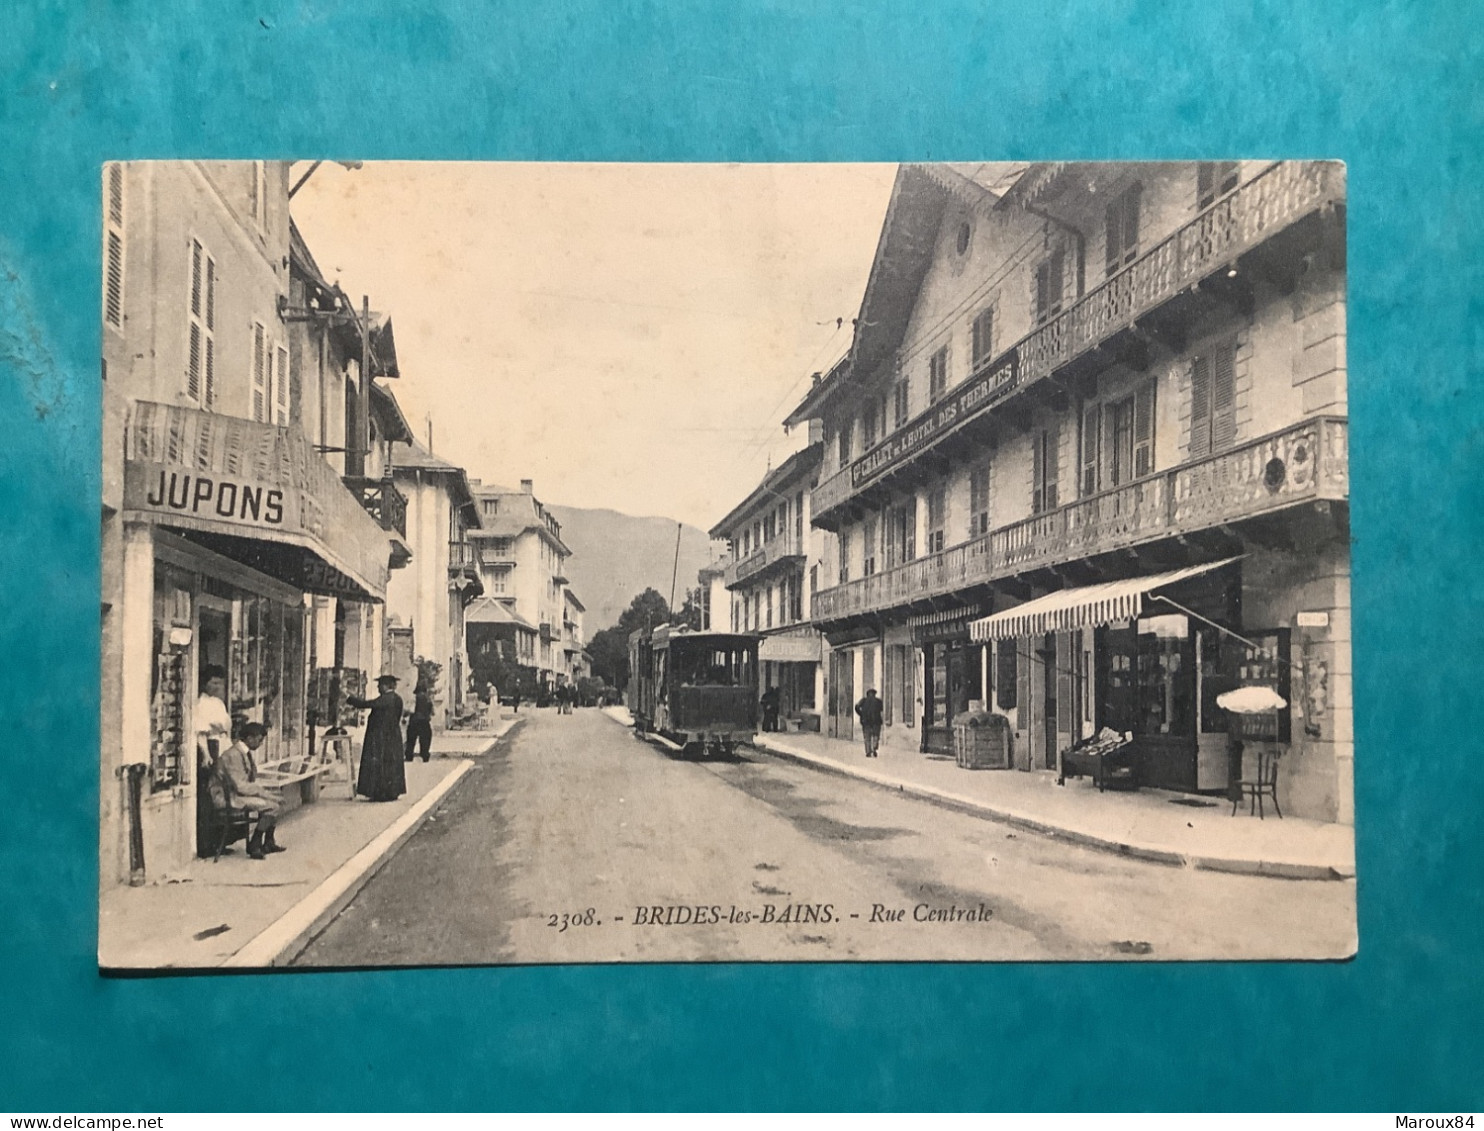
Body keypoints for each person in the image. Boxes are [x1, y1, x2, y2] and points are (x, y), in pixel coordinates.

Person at [214, 721, 285, 859]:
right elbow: (241, 786)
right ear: (249, 738)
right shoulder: (233, 755)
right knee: (272, 806)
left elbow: (249, 780)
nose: (261, 744)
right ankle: (255, 844)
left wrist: (268, 794)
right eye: (259, 740)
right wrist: (264, 794)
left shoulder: (243, 753)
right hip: (226, 797)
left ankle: (269, 842)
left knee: (279, 800)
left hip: (236, 793)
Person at [194, 666, 234, 857]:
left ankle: (222, 840)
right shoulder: (199, 704)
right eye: (214, 682)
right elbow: (201, 733)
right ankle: (206, 844)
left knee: (224, 792)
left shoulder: (219, 703)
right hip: (211, 747)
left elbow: (226, 725)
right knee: (209, 795)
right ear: (205, 682)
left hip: (223, 744)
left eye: (220, 682)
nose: (217, 686)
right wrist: (206, 755)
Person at [348, 674, 407, 801]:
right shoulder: (397, 699)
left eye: (380, 685)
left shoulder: (385, 699)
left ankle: (380, 793)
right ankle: (392, 791)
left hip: (381, 736)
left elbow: (367, 704)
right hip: (393, 735)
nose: (378, 688)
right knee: (391, 764)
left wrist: (350, 699)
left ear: (386, 686)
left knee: (379, 764)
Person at [405, 679, 434, 763]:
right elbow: (432, 712)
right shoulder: (428, 699)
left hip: (414, 721)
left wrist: (405, 713)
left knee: (411, 740)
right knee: (425, 739)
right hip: (425, 722)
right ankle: (425, 756)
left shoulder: (414, 698)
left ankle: (409, 756)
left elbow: (411, 710)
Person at [855, 688, 884, 758]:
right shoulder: (878, 701)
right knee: (876, 736)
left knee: (867, 737)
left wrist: (861, 714)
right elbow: (881, 710)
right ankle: (874, 748)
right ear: (874, 694)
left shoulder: (863, 701)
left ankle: (868, 751)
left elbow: (856, 707)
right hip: (876, 722)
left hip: (866, 721)